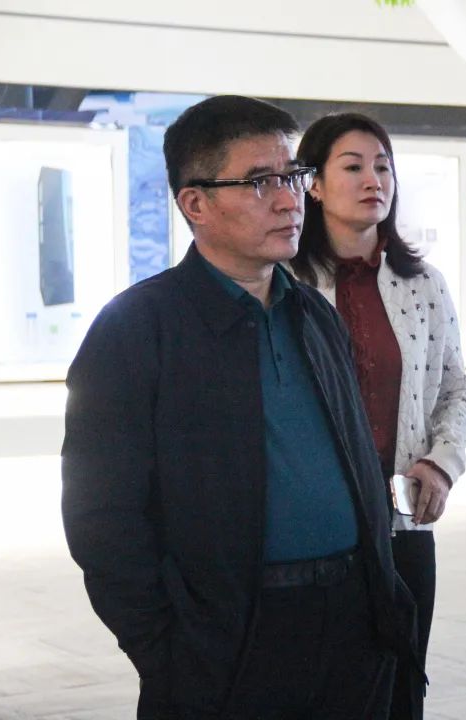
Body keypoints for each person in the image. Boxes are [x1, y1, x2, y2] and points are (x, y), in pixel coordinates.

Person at [61, 95, 414, 720]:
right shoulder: (138, 328)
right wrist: (165, 647)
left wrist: (384, 603)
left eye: (292, 177)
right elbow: (101, 515)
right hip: (229, 640)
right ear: (194, 203)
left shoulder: (314, 314)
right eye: (259, 182)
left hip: (352, 624)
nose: (289, 200)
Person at [291, 112, 466, 720]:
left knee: (402, 685)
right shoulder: (286, 283)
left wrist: (441, 465)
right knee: (325, 689)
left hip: (402, 520)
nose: (374, 179)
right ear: (314, 184)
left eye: (383, 166)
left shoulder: (423, 283)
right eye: (353, 167)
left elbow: (456, 389)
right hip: (317, 528)